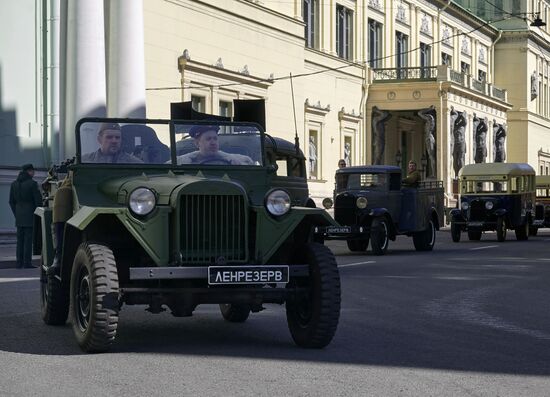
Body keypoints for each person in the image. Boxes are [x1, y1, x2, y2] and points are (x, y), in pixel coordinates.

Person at [9, 163, 42, 269]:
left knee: (20, 240)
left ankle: (19, 263)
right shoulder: (32, 184)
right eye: (32, 171)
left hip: (19, 215)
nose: (34, 173)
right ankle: (27, 263)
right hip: (30, 215)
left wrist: (16, 213)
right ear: (29, 171)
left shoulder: (14, 184)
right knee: (28, 240)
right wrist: (38, 213)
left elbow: (11, 202)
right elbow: (38, 201)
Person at [176, 125, 254, 165]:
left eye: (215, 139)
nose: (213, 142)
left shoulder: (236, 160)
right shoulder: (182, 162)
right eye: (208, 139)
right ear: (197, 143)